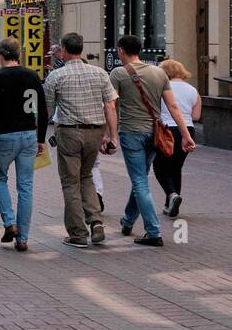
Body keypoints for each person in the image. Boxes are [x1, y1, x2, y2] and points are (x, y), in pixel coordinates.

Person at [108, 35, 196, 246]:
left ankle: (153, 231)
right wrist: (186, 135)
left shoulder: (118, 73)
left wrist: (109, 135)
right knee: (140, 179)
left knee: (139, 181)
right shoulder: (159, 72)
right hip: (155, 134)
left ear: (121, 51)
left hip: (131, 133)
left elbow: (110, 106)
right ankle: (128, 221)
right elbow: (173, 107)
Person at [43, 33, 117, 248]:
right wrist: (112, 136)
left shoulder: (56, 76)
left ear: (64, 50)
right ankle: (96, 222)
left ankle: (77, 233)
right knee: (86, 177)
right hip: (95, 132)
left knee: (70, 182)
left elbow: (48, 110)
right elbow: (110, 106)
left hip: (69, 132)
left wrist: (42, 133)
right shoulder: (100, 74)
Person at [0, 38, 48, 252]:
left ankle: (10, 223)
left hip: (6, 135)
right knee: (25, 186)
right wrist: (41, 139)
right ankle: (23, 238)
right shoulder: (31, 75)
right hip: (29, 134)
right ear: (19, 54)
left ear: (1, 54)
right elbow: (43, 109)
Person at [154, 58, 200, 218]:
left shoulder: (161, 87)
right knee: (176, 167)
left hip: (167, 130)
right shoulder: (193, 90)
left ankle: (172, 195)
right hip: (188, 130)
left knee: (159, 166)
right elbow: (196, 115)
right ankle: (171, 204)